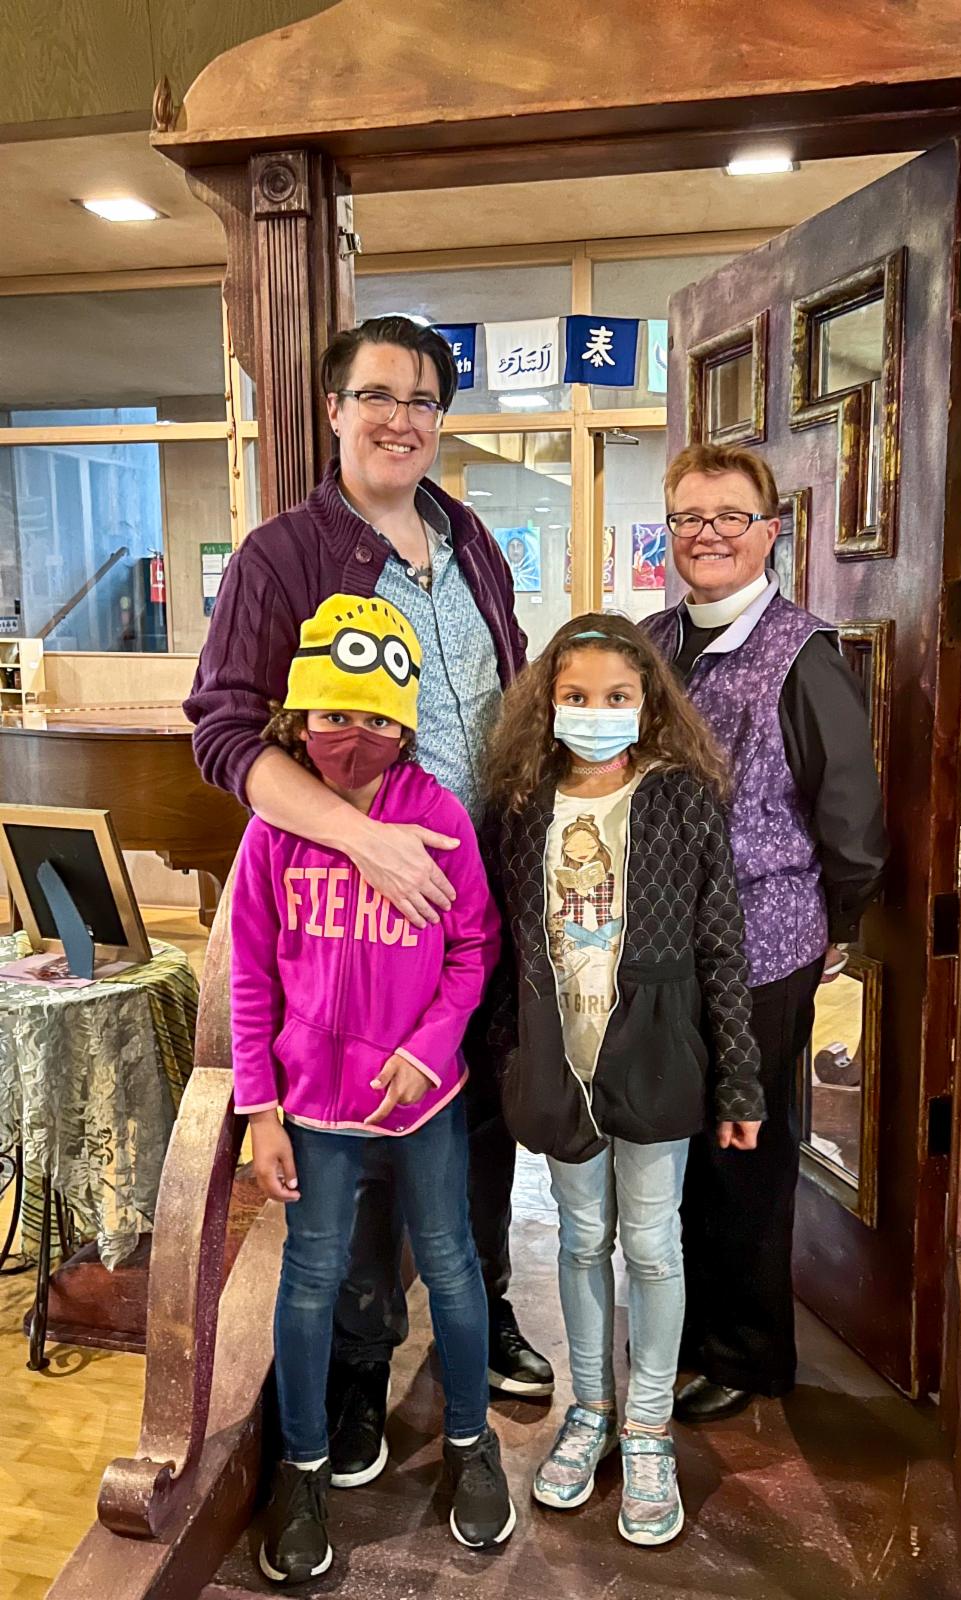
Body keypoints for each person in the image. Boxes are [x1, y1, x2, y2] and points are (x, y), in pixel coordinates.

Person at [186, 316, 553, 1494]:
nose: (403, 418)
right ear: (335, 409)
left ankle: (482, 1314)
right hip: (351, 903)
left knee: (471, 1116)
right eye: (379, 395)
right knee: (353, 1145)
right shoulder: (282, 556)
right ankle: (354, 1368)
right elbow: (225, 735)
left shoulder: (471, 540)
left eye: (424, 399)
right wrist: (365, 840)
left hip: (477, 891)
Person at [231, 595, 515, 1581]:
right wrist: (259, 1107)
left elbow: (474, 947)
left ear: (408, 722)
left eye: (378, 720)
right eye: (334, 716)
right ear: (298, 716)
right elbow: (252, 974)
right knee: (310, 1279)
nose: (355, 738)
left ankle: (473, 1440)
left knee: (452, 1265)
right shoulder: (275, 830)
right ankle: (304, 1467)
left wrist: (431, 1049)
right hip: (312, 1108)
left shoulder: (438, 816)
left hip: (423, 1104)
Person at [484, 614, 765, 1546]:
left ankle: (647, 1428)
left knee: (652, 1245)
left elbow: (722, 945)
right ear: (547, 703)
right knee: (580, 1240)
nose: (594, 712)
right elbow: (504, 947)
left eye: (615, 697)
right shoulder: (523, 805)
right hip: (557, 1056)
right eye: (575, 696)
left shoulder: (682, 798)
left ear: (648, 705)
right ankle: (590, 1408)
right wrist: (508, 1060)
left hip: (655, 1055)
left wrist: (739, 1083)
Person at [642, 442, 887, 1424]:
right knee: (673, 1147)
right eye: (689, 518)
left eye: (729, 517)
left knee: (744, 1153)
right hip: (660, 948)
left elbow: (852, 817)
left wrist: (838, 926)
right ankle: (683, 1325)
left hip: (763, 945)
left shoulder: (803, 654)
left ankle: (746, 1352)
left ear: (771, 533)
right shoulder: (653, 642)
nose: (708, 534)